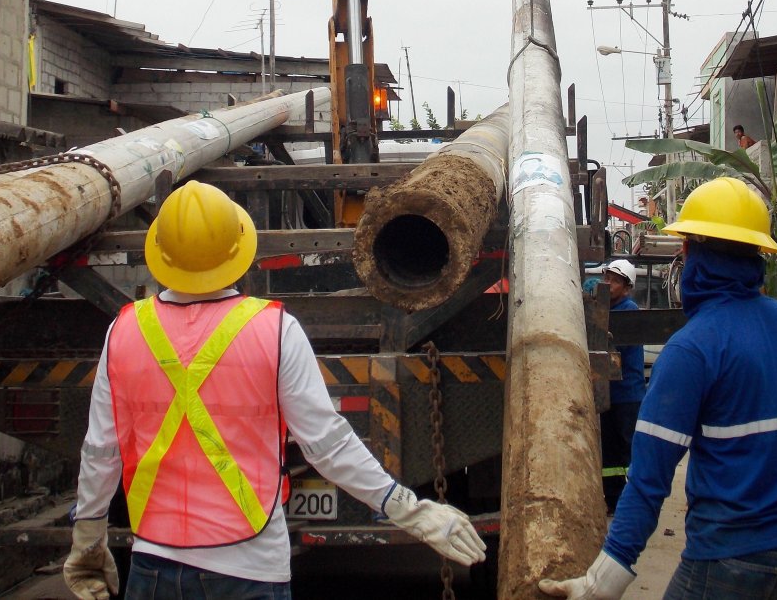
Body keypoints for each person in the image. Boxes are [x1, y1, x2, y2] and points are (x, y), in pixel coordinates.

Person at [64, 181, 486, 600]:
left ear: (161, 254)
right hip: (251, 568)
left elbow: (102, 451)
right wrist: (412, 512)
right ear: (238, 249)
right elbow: (328, 446)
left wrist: (87, 541)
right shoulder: (275, 329)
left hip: (154, 565)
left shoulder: (124, 331)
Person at [540, 177, 777, 600]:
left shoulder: (692, 349)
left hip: (728, 563)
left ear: (688, 252)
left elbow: (650, 478)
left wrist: (604, 580)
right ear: (759, 253)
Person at [599, 260, 645, 515]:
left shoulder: (629, 310)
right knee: (610, 451)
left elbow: (617, 352)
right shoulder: (604, 309)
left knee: (629, 448)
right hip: (609, 396)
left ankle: (636, 499)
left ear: (626, 288)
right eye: (607, 277)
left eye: (615, 281)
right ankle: (614, 498)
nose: (608, 283)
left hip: (627, 396)